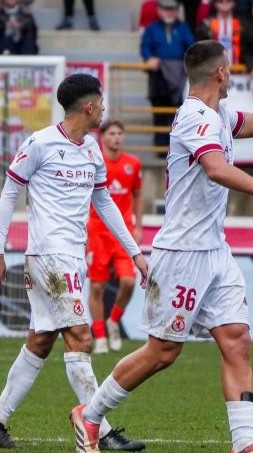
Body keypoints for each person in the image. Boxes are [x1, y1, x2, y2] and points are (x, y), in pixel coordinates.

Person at [69, 38, 253, 453]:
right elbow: (216, 169)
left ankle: (244, 445)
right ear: (220, 73)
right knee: (163, 351)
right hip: (181, 252)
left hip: (215, 251)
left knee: (237, 340)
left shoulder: (219, 114)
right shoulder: (193, 117)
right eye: (229, 68)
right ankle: (89, 417)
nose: (232, 74)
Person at [0, 74, 149, 453]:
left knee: (41, 340)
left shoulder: (91, 149)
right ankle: (98, 427)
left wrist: (134, 251)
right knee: (81, 337)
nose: (104, 109)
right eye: (101, 103)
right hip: (49, 256)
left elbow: (104, 203)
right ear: (88, 107)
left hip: (72, 255)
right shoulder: (39, 143)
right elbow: (9, 194)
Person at [88, 120, 142, 355]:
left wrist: (138, 225)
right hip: (98, 233)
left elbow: (138, 194)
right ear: (103, 137)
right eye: (112, 133)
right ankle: (99, 335)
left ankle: (114, 320)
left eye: (120, 133)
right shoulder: (94, 162)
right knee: (97, 287)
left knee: (129, 282)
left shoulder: (133, 164)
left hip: (124, 234)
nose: (117, 137)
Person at [141, 0, 194, 152]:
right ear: (159, 10)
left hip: (179, 76)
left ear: (177, 11)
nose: (169, 12)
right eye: (166, 9)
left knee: (177, 113)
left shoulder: (183, 28)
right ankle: (160, 148)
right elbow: (145, 47)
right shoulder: (151, 29)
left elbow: (191, 47)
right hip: (158, 75)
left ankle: (175, 148)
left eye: (172, 9)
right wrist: (149, 58)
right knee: (158, 110)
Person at [195, 0, 242, 64]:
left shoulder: (241, 24)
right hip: (213, 69)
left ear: (234, 3)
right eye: (220, 1)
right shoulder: (207, 25)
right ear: (215, 3)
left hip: (239, 68)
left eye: (228, 1)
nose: (224, 2)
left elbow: (246, 49)